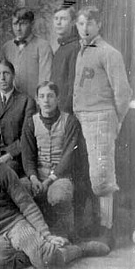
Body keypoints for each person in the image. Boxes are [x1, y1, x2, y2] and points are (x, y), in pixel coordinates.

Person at [0, 126, 110, 269]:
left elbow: (27, 205)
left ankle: (78, 250)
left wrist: (45, 235)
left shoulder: (3, 170)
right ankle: (40, 252)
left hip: (14, 225)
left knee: (47, 260)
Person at [73, 6, 132, 248]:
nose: (84, 28)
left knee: (102, 176)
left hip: (101, 116)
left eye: (89, 23)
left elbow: (123, 93)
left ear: (99, 25)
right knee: (90, 175)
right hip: (84, 117)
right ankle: (96, 224)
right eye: (80, 23)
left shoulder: (109, 52)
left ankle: (108, 230)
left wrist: (115, 120)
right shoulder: (83, 50)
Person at [21, 81, 97, 240]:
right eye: (42, 96)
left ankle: (66, 234)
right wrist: (33, 178)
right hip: (37, 176)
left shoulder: (70, 121)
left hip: (61, 176)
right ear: (37, 100)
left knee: (59, 196)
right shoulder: (31, 122)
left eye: (50, 96)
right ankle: (31, 236)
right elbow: (28, 156)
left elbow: (68, 155)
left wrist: (49, 180)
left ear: (57, 99)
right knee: (18, 190)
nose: (46, 100)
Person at [0, 59, 35, 178]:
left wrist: (9, 155)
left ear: (13, 75)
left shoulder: (26, 101)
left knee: (3, 173)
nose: (2, 78)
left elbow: (26, 136)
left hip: (13, 158)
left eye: (6, 73)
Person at [2, 8, 53, 96]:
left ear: (32, 24)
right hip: (12, 103)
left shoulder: (43, 47)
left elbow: (45, 80)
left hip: (34, 102)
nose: (18, 28)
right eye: (15, 24)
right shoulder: (7, 47)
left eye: (23, 24)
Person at [49, 3, 79, 113]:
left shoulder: (75, 48)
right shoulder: (61, 48)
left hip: (66, 111)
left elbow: (73, 86)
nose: (58, 22)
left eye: (63, 19)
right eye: (56, 18)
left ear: (72, 22)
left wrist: (65, 113)